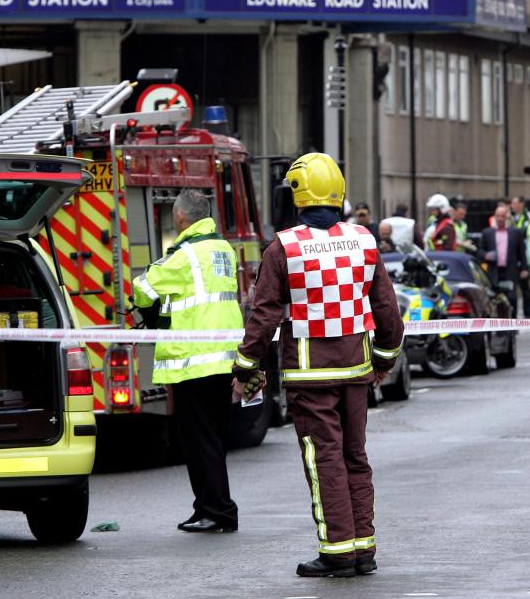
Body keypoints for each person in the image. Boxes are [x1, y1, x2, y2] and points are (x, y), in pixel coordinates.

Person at [231, 152, 405, 578]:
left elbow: (264, 315)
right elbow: (388, 312)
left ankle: (338, 552)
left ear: (297, 195)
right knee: (354, 456)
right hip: (356, 370)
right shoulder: (364, 240)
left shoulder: (285, 247)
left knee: (322, 458)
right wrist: (383, 359)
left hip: (310, 375)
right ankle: (363, 548)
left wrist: (245, 367)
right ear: (339, 191)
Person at [131, 189, 244, 534]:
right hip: (223, 360)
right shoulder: (222, 248)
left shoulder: (185, 256)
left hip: (194, 363)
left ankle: (217, 511)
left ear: (180, 217)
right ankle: (208, 507)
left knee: (199, 441)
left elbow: (143, 288)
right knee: (213, 440)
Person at [479, 205, 529, 313]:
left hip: (510, 271)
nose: (500, 219)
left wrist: (524, 268)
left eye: (502, 216)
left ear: (507, 217)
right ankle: (498, 326)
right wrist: (485, 255)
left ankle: (513, 326)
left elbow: (521, 252)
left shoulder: (515, 233)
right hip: (494, 271)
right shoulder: (487, 233)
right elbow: (480, 251)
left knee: (512, 298)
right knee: (495, 299)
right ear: (494, 217)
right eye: (498, 216)